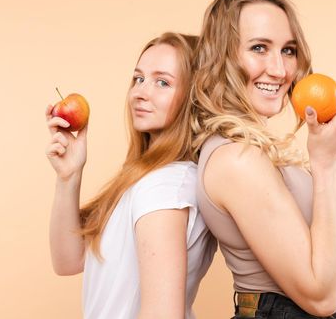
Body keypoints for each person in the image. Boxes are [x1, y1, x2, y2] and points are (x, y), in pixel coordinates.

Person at [190, 0, 336, 319]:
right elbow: (321, 298)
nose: (279, 70)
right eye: (259, 48)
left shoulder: (241, 150)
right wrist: (324, 167)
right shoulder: (237, 159)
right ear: (223, 56)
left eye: (288, 50)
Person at [45, 32, 216, 319]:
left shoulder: (166, 186)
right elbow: (68, 261)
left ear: (195, 96)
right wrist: (69, 177)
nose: (140, 92)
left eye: (162, 82)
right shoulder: (147, 179)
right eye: (139, 79)